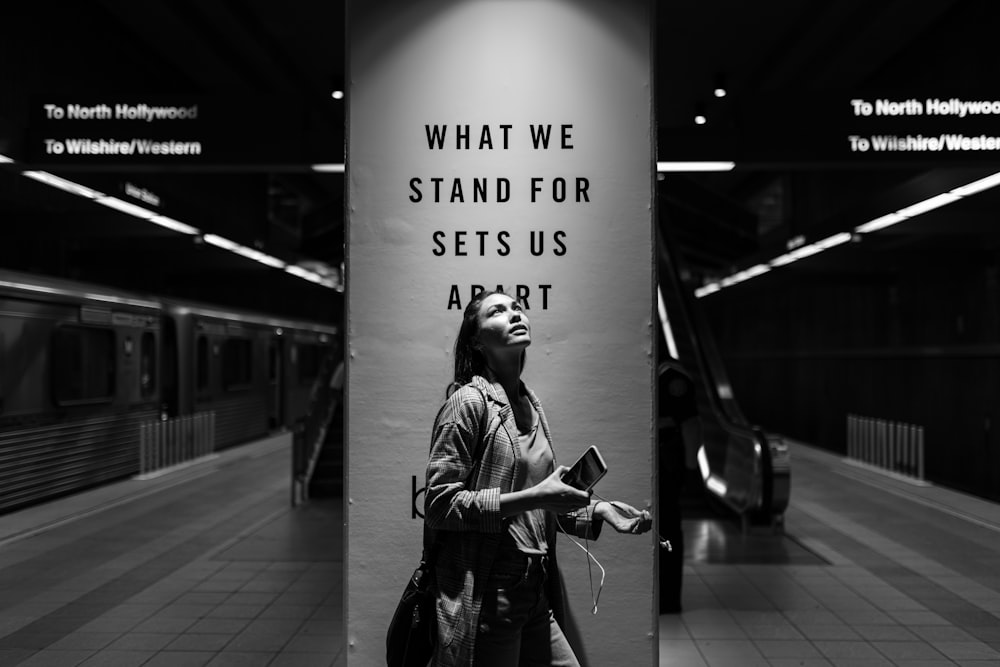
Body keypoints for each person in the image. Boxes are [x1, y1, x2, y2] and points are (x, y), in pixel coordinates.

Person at [424, 290, 652, 667]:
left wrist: (600, 511)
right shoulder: (468, 403)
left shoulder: (530, 402)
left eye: (517, 308)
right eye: (497, 311)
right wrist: (538, 497)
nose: (515, 314)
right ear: (477, 341)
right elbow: (439, 505)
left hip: (535, 586)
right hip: (491, 591)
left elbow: (542, 509)